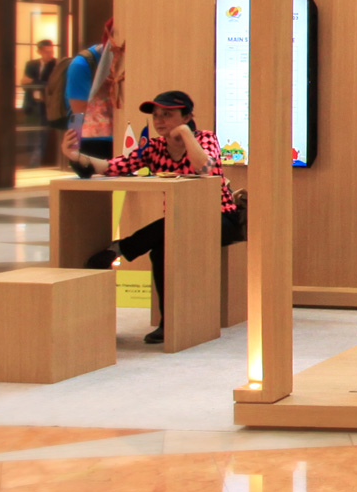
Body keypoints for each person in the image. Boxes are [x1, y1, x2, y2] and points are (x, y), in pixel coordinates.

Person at [73, 90, 243, 345]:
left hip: (222, 219)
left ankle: (120, 248)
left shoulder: (205, 138)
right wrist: (75, 156)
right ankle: (169, 322)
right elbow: (113, 166)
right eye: (156, 116)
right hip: (178, 224)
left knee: (175, 224)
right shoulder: (155, 147)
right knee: (161, 249)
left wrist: (186, 133)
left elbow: (208, 169)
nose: (160, 120)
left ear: (187, 116)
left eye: (168, 114)